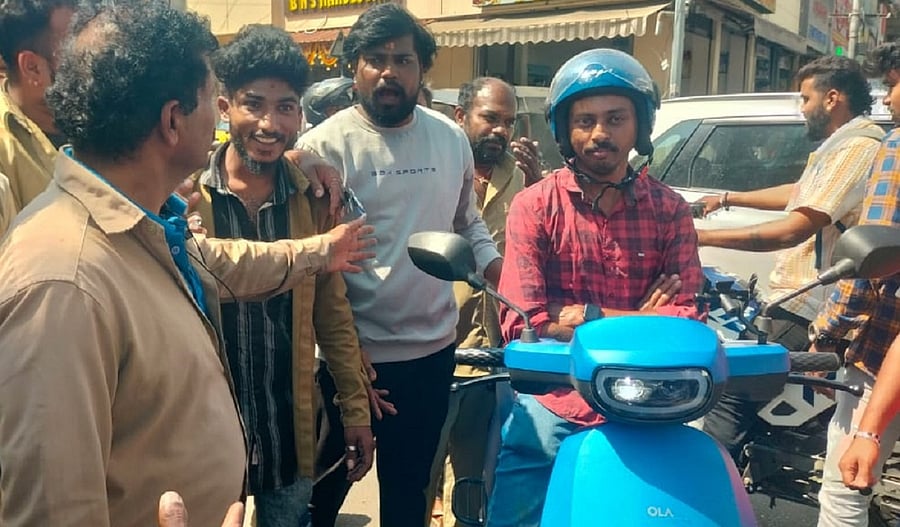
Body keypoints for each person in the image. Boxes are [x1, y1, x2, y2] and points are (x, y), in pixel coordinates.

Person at [0, 2, 374, 526]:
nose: (222, 118)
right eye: (212, 101)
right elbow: (49, 508)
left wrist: (320, 250)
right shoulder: (65, 282)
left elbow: (225, 264)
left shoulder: (142, 228)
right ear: (174, 119)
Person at [297, 4, 502, 526]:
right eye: (375, 59)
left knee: (409, 499)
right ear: (354, 68)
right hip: (348, 364)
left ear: (421, 69)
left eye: (403, 60)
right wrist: (341, 357)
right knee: (318, 501)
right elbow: (310, 266)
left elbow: (467, 223)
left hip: (430, 356)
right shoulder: (321, 147)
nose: (390, 71)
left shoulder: (449, 137)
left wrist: (499, 271)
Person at [487, 48, 702, 527]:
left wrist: (578, 315)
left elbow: (689, 318)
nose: (599, 133)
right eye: (584, 121)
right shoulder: (534, 206)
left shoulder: (670, 210)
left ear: (639, 127)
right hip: (556, 403)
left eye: (615, 118)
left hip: (652, 404)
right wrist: (644, 318)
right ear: (564, 131)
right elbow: (525, 322)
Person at [190, 25, 374, 526]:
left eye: (286, 107)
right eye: (254, 104)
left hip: (287, 431)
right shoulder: (188, 197)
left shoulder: (312, 199)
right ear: (225, 106)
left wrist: (355, 410)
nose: (269, 124)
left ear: (300, 114)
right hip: (207, 432)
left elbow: (332, 313)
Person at [0, 0, 344, 235]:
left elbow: (224, 265)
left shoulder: (155, 170)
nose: (97, 63)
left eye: (285, 108)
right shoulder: (63, 276)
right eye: (75, 51)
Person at [693, 56, 884, 463]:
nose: (801, 107)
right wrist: (729, 198)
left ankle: (709, 482)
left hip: (806, 303)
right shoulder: (837, 147)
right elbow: (800, 191)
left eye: (805, 97)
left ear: (832, 98)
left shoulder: (856, 148)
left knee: (730, 387)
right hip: (796, 294)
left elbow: (794, 228)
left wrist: (702, 236)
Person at [427, 77, 526, 527]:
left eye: (507, 122)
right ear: (461, 117)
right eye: (490, 118)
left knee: (472, 477)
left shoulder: (518, 176)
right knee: (420, 471)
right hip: (433, 343)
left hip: (489, 350)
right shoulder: (434, 168)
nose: (500, 131)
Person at [811, 41, 900, 527]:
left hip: (882, 345)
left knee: (844, 491)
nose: (888, 99)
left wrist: (827, 332)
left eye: (892, 85)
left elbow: (865, 259)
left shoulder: (894, 145)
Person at [0, 0, 75, 216]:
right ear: (32, 68)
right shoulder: (5, 155)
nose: (90, 59)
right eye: (73, 50)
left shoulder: (106, 117)